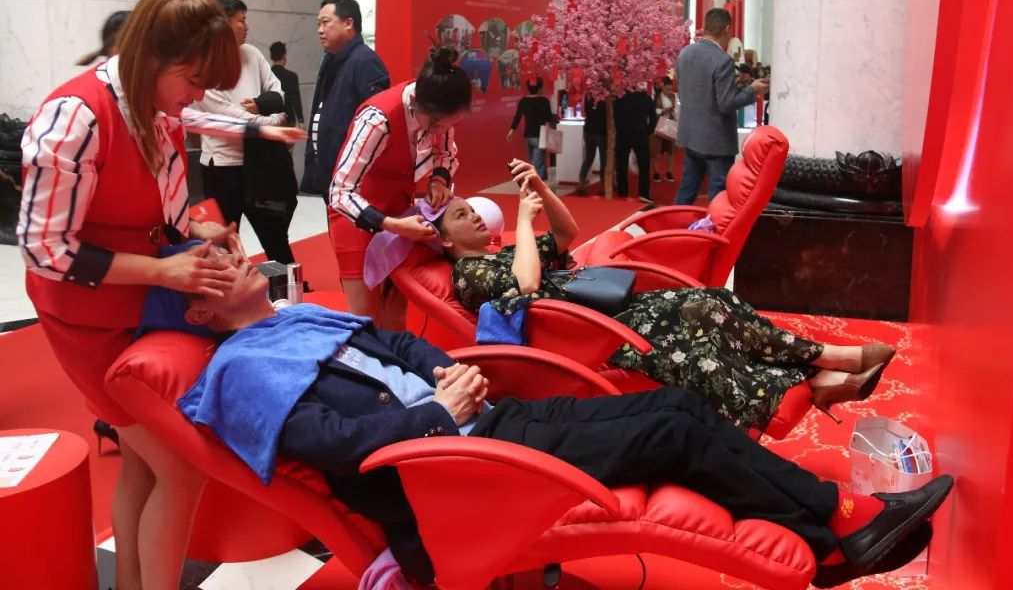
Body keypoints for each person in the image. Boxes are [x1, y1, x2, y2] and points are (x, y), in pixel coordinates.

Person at [170, 249, 953, 589]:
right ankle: (839, 526)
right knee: (676, 429)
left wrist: (445, 372)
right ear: (199, 309)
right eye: (213, 262)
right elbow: (337, 446)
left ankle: (831, 536)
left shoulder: (295, 320)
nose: (234, 254)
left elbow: (398, 343)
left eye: (227, 247)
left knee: (678, 407)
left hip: (484, 426)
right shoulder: (243, 371)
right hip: (452, 475)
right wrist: (438, 414)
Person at [17, 0, 304, 590]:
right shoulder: (75, 116)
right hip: (86, 317)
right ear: (151, 55)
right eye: (194, 80)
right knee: (180, 467)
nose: (196, 96)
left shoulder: (159, 107)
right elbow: (45, 249)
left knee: (145, 467)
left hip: (137, 302)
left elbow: (163, 209)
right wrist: (162, 269)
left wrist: (197, 229)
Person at [441, 160, 897, 432]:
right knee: (700, 339)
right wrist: (523, 221)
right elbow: (525, 287)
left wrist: (540, 187)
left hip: (602, 311)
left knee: (714, 302)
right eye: (461, 216)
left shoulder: (503, 254)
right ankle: (826, 366)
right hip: (583, 333)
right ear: (445, 240)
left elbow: (566, 232)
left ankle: (821, 371)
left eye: (472, 209)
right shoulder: (469, 274)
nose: (475, 216)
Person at [327, 46, 470, 327]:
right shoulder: (377, 120)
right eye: (437, 127)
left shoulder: (437, 104)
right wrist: (391, 225)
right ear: (415, 102)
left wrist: (439, 180)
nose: (442, 132)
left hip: (402, 212)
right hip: (357, 218)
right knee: (366, 321)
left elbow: (445, 152)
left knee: (395, 317)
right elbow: (340, 192)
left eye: (450, 125)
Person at [188, 0, 298, 265]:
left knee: (274, 236)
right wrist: (275, 120)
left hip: (258, 162)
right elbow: (235, 120)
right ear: (221, 24)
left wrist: (261, 105)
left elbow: (278, 92)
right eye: (240, 20)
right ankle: (230, 288)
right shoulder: (205, 68)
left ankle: (288, 285)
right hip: (222, 168)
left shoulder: (251, 54)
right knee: (224, 241)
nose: (246, 26)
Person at [674, 8, 769, 205]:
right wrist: (752, 90)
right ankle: (713, 227)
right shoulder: (722, 60)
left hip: (691, 135)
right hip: (716, 140)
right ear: (726, 29)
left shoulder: (685, 53)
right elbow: (726, 104)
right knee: (718, 198)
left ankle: (675, 223)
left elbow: (684, 94)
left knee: (686, 191)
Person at [301, 0, 390, 199]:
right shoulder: (331, 59)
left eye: (326, 22)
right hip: (329, 172)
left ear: (348, 23)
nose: (320, 30)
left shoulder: (365, 61)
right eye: (318, 24)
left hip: (351, 176)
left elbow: (377, 122)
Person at [506, 78, 557, 181]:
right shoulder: (544, 101)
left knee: (537, 160)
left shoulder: (523, 101)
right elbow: (548, 119)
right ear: (539, 89)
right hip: (540, 135)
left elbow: (517, 116)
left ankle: (542, 179)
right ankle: (535, 183)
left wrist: (512, 130)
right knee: (536, 163)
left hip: (528, 136)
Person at [613, 88, 653, 202]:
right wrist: (648, 131)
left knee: (622, 165)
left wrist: (618, 128)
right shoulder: (645, 96)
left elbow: (614, 115)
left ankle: (622, 192)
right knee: (644, 165)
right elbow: (653, 116)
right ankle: (644, 194)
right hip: (640, 134)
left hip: (623, 134)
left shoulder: (620, 96)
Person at [574, 96, 607, 195]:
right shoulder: (605, 97)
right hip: (602, 131)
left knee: (589, 158)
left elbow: (585, 112)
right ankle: (603, 185)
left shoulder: (588, 97)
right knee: (604, 160)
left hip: (589, 130)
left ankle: (581, 182)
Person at [269, 40, 304, 127]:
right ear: (284, 56)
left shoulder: (267, 76)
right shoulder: (291, 76)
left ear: (271, 57)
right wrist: (301, 120)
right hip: (288, 118)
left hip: (271, 119)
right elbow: (296, 100)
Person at [651, 76, 677, 182]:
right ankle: (656, 172)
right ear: (662, 87)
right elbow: (652, 110)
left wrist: (672, 111)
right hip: (658, 123)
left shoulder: (673, 96)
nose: (669, 91)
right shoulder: (656, 96)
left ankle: (669, 172)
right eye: (667, 89)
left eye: (670, 89)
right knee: (655, 149)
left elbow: (677, 109)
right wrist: (662, 111)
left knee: (671, 150)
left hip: (670, 123)